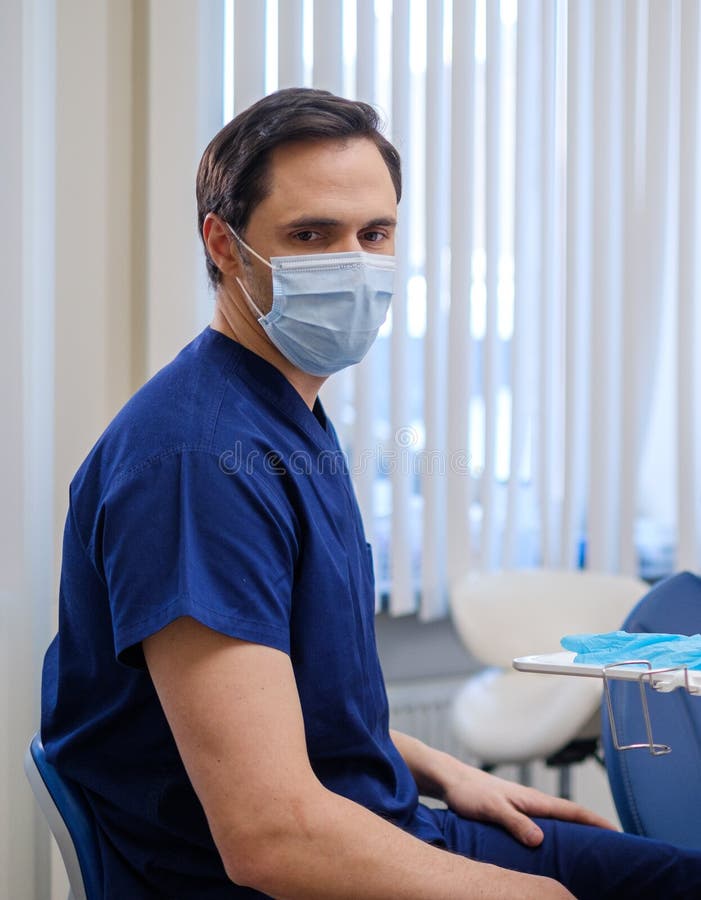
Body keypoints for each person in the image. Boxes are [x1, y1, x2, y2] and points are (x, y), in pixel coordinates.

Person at [41, 87, 701, 899]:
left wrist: (441, 770)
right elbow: (268, 839)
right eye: (310, 235)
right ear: (223, 244)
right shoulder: (196, 463)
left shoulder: (277, 412)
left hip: (376, 819)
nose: (352, 262)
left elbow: (290, 703)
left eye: (374, 233)